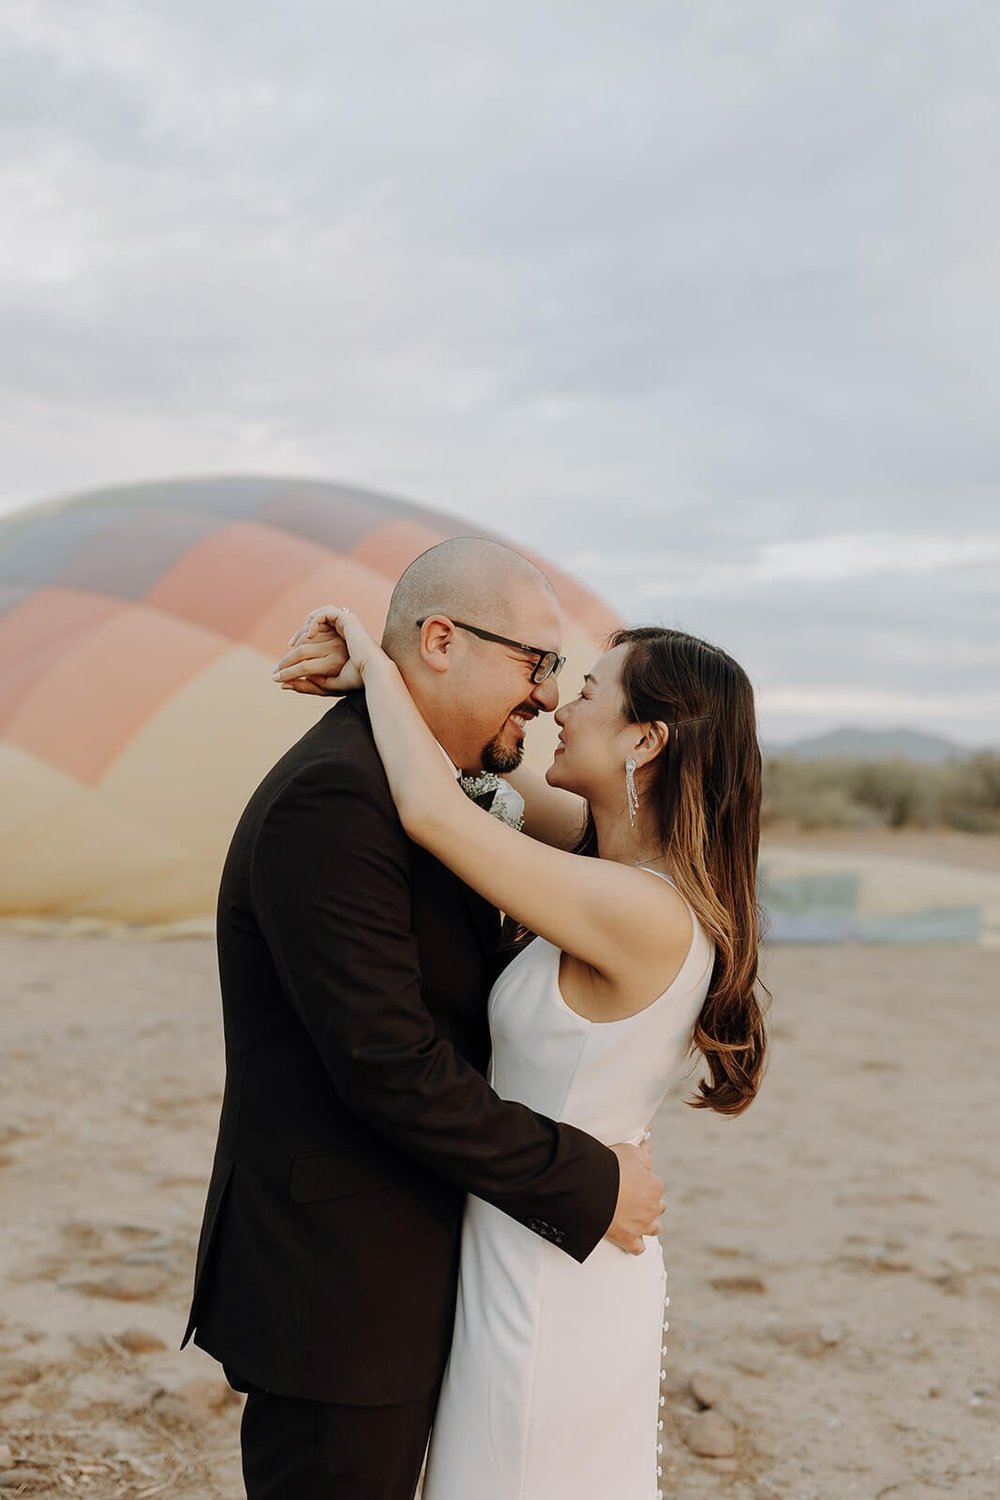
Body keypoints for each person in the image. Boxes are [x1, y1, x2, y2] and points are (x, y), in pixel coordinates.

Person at [182, 538, 666, 1500]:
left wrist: (372, 666)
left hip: (429, 1266)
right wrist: (586, 1181)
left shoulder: (424, 790)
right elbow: (387, 1063)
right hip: (342, 1286)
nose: (544, 696)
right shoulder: (336, 796)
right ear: (441, 641)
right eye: (537, 665)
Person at [274, 600, 768, 1499]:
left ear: (643, 743)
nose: (555, 707)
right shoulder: (604, 870)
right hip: (528, 1230)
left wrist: (377, 664)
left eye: (585, 691)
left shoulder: (641, 910)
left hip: (552, 1277)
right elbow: (462, 779)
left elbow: (430, 807)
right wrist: (410, 689)